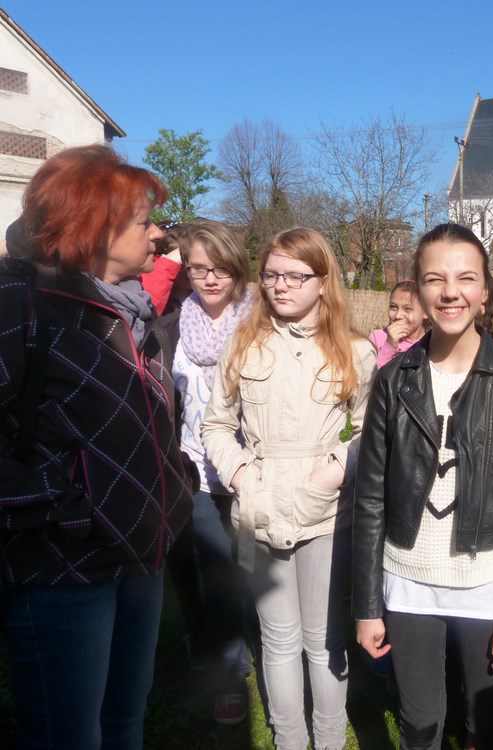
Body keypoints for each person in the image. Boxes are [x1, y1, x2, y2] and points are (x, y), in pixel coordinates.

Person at [0, 144, 193, 749]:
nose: (159, 235)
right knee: (69, 738)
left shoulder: (132, 313)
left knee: (123, 727)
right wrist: (63, 497)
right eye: (144, 221)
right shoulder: (22, 307)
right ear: (93, 228)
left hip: (140, 560)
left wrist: (176, 486)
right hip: (63, 568)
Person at [352, 222, 493, 750]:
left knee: (488, 724)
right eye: (435, 279)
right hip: (409, 580)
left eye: (465, 278)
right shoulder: (394, 379)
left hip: (488, 582)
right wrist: (367, 605)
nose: (450, 292)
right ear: (418, 289)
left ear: (485, 291)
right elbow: (369, 499)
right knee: (419, 723)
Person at [202, 227, 376, 750]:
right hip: (259, 510)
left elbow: (369, 432)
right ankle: (290, 739)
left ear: (323, 281)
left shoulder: (355, 350)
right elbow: (216, 424)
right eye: (272, 275)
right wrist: (240, 475)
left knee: (323, 640)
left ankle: (329, 739)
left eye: (295, 276)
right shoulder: (244, 344)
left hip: (325, 512)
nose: (280, 285)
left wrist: (330, 475)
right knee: (278, 639)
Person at [157, 220, 255, 724]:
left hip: (249, 469)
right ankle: (226, 666)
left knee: (246, 569)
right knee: (213, 569)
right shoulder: (173, 327)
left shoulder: (261, 322)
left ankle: (248, 650)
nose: (210, 278)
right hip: (193, 468)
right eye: (198, 269)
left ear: (237, 268)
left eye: (220, 268)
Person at [370, 278, 427, 368]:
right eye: (393, 307)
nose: (398, 315)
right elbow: (372, 374)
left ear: (426, 312)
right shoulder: (377, 339)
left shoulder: (431, 344)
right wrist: (389, 346)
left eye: (407, 309)